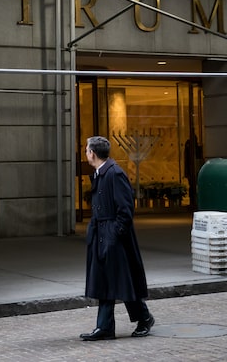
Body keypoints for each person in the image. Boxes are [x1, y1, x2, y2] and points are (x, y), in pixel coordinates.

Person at [81, 136, 154, 341]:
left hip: (114, 237)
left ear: (92, 153)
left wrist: (114, 234)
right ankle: (104, 327)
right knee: (107, 281)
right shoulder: (100, 173)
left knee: (122, 281)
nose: (86, 152)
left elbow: (125, 209)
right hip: (102, 234)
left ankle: (144, 318)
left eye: (86, 150)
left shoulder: (114, 173)